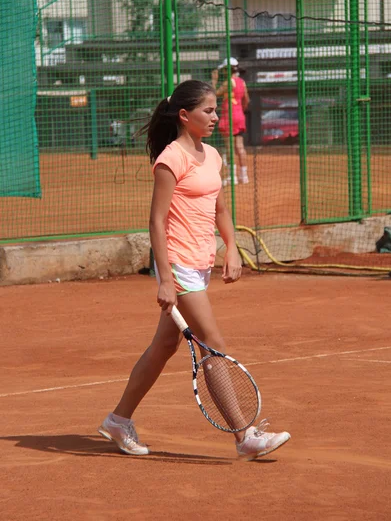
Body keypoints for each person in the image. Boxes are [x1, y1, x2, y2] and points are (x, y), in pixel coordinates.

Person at [98, 80, 290, 459]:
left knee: (164, 346)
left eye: (217, 109)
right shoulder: (172, 159)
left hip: (200, 264)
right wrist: (166, 279)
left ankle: (118, 421)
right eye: (209, 111)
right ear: (185, 116)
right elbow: (156, 221)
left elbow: (220, 210)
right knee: (214, 347)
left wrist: (232, 248)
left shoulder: (214, 156)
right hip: (179, 266)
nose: (217, 116)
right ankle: (244, 436)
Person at [211, 57, 250, 186]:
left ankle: (231, 177)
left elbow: (213, 94)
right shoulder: (241, 82)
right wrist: (240, 110)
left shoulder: (228, 82)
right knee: (240, 147)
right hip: (240, 115)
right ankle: (244, 176)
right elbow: (247, 100)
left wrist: (214, 80)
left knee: (230, 148)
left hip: (229, 116)